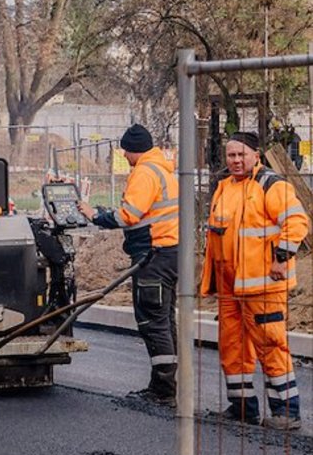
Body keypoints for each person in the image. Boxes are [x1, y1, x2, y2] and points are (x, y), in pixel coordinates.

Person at [201, 131, 309, 431]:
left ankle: (287, 412)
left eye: (242, 155)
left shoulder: (271, 185)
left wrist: (281, 256)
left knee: (271, 346)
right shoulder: (225, 187)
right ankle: (242, 408)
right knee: (232, 347)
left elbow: (297, 222)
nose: (236, 160)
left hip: (262, 287)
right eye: (231, 155)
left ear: (256, 156)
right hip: (231, 289)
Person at [78, 124, 179, 404]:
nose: (123, 155)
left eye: (125, 150)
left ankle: (163, 390)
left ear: (134, 150)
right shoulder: (163, 169)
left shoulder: (144, 172)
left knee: (152, 321)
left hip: (153, 255)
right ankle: (165, 384)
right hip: (169, 252)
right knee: (164, 319)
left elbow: (129, 216)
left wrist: (95, 216)